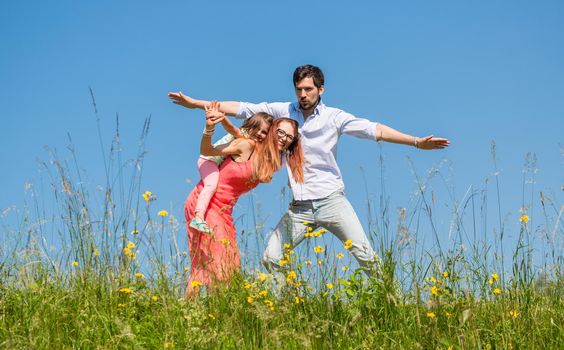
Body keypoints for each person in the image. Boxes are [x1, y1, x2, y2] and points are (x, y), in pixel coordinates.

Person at [169, 64, 450, 281]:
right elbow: (241, 108)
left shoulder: (334, 117)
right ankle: (274, 313)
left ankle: (391, 300)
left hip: (332, 202)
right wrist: (195, 104)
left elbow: (373, 129)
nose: (303, 95)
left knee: (365, 254)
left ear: (321, 89)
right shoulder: (284, 112)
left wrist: (415, 141)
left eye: (309, 89)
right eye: (299, 90)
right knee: (271, 256)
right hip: (300, 209)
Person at [183, 101, 303, 297]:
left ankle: (210, 313)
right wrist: (209, 128)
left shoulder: (271, 162)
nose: (284, 138)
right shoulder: (246, 145)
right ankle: (199, 311)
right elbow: (208, 151)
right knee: (216, 262)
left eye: (289, 137)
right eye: (280, 132)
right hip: (207, 203)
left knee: (227, 264)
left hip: (224, 211)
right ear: (272, 131)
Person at [190, 111, 273, 234]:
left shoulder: (255, 147)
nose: (259, 134)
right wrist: (223, 119)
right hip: (208, 160)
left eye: (264, 132)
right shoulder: (242, 135)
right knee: (211, 185)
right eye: (257, 128)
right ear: (250, 126)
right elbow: (230, 128)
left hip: (214, 162)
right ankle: (199, 216)